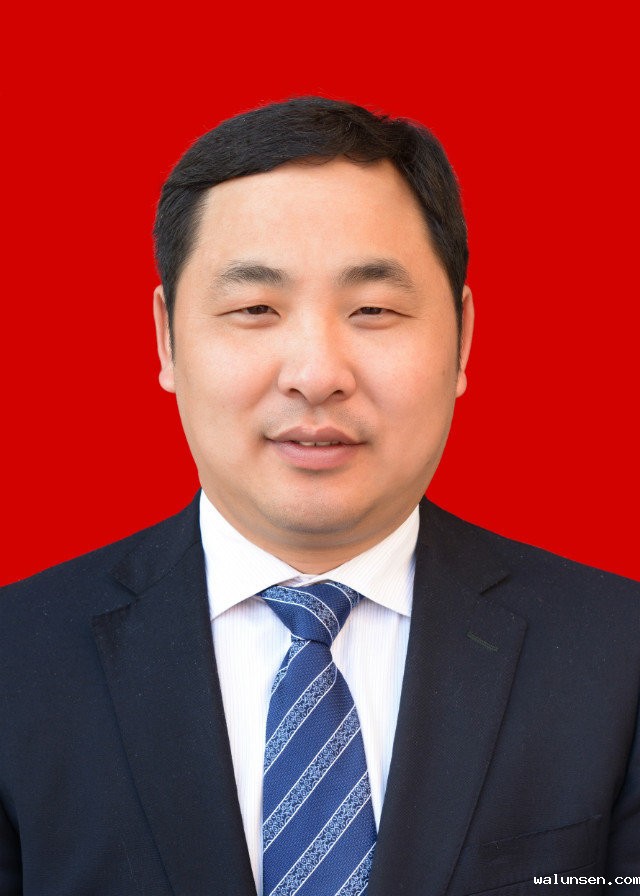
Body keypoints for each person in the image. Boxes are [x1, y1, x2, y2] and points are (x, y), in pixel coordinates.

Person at [0, 97, 638, 896]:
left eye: (373, 310)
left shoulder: (619, 656)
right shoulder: (16, 661)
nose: (315, 374)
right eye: (254, 309)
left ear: (462, 337)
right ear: (167, 336)